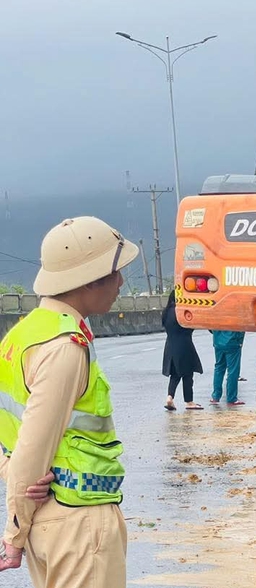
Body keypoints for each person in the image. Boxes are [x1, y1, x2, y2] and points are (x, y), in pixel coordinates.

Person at [0, 216, 138, 587]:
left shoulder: (22, 335)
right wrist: (13, 534)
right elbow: (33, 450)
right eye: (115, 273)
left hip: (52, 521)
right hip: (78, 521)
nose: (121, 283)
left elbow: (12, 438)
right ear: (90, 279)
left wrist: (12, 476)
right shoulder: (65, 348)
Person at [161, 290, 203, 411]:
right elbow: (191, 326)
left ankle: (170, 397)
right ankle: (189, 401)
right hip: (184, 345)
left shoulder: (166, 312)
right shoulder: (182, 312)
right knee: (187, 374)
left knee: (175, 374)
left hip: (170, 345)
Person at [210, 330, 245, 406]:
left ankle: (216, 396)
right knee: (233, 371)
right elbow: (241, 327)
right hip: (233, 341)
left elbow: (210, 327)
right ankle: (231, 398)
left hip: (218, 341)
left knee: (219, 368)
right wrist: (240, 340)